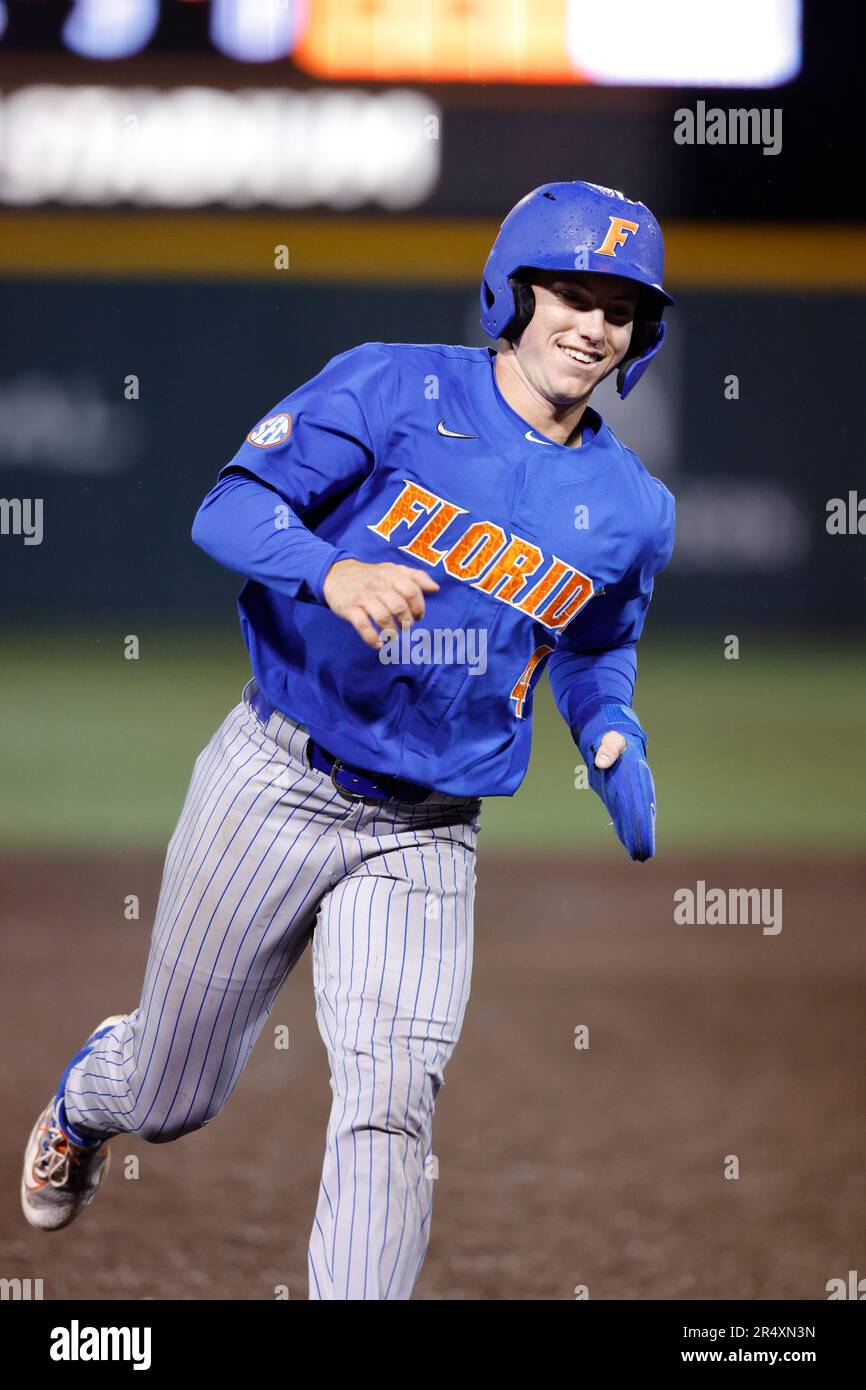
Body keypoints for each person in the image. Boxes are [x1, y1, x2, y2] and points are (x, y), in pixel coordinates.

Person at [21, 180, 675, 1301]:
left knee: (390, 1093)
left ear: (637, 337)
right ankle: (90, 1097)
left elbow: (591, 643)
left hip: (427, 831)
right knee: (174, 1094)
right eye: (571, 291)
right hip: (276, 777)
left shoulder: (630, 506)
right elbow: (227, 506)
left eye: (618, 308)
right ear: (511, 293)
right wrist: (331, 567)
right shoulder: (392, 385)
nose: (591, 325)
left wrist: (609, 727)